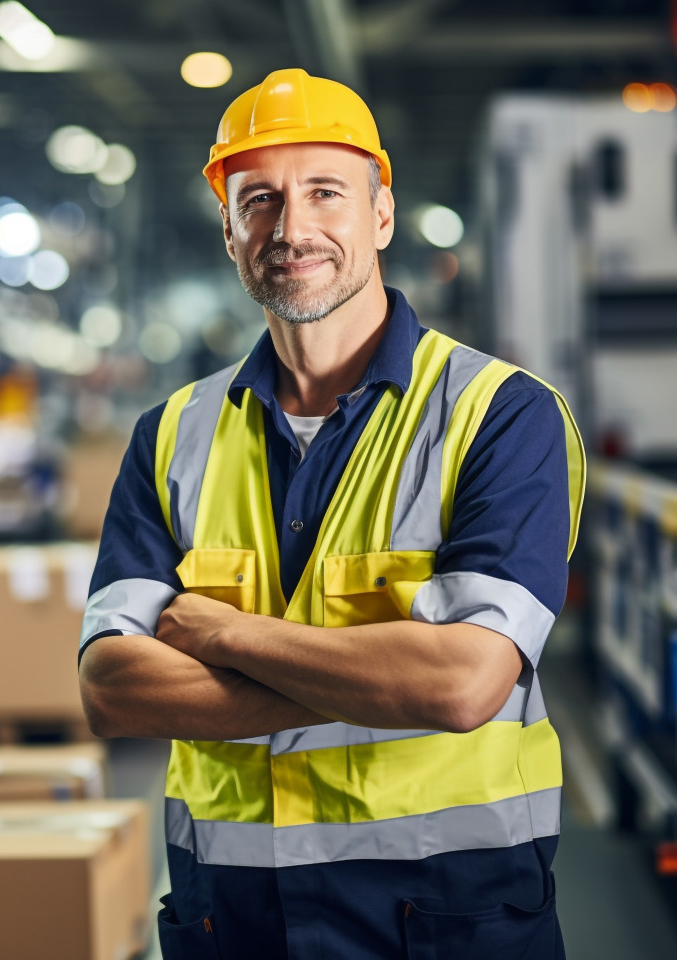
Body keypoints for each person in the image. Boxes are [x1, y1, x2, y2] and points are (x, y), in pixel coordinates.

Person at [78, 68, 585, 960]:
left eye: (325, 192)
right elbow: (113, 689)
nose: (293, 228)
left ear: (380, 215)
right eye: (260, 198)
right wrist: (375, 670)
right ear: (230, 228)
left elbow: (461, 685)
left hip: (445, 922)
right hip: (234, 924)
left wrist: (225, 635)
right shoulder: (171, 435)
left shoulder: (501, 415)